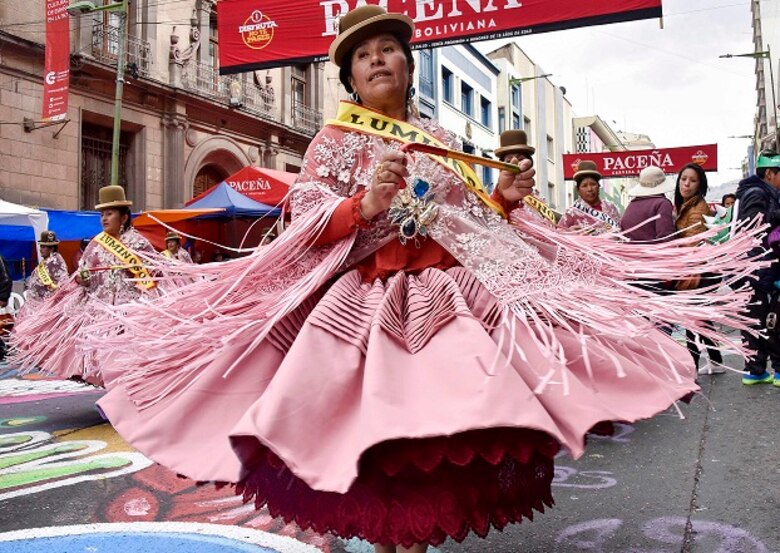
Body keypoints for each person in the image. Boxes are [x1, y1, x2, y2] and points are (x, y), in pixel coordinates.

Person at [94, 7, 757, 553]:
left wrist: (501, 199)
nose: (378, 59)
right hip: (365, 310)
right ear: (351, 77)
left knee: (438, 432)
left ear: (410, 66)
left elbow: (467, 219)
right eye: (363, 55)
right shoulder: (334, 140)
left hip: (446, 303)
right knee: (378, 443)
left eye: (389, 49)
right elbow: (305, 216)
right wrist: (365, 206)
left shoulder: (441, 138)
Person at [8, 185, 164, 385]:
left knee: (123, 360)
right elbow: (82, 272)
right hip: (99, 312)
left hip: (129, 313)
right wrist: (83, 277)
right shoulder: (97, 243)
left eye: (109, 214)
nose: (104, 219)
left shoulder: (138, 244)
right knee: (101, 361)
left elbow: (153, 276)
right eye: (102, 215)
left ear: (124, 217)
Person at [673, 164, 725, 375]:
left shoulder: (697, 209)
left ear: (700, 185)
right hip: (697, 269)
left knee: (692, 320)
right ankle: (716, 361)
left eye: (692, 180)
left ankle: (692, 366)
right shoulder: (687, 205)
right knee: (700, 319)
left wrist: (688, 272)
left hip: (697, 270)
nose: (686, 184)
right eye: (683, 179)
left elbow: (693, 244)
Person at [735, 151, 780, 386]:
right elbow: (753, 225)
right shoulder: (757, 193)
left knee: (759, 319)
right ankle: (764, 369)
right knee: (769, 318)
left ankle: (756, 369)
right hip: (758, 266)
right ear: (770, 173)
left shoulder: (763, 192)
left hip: (756, 266)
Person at [494, 130, 553, 226]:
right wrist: (503, 196)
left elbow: (550, 231)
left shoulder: (538, 199)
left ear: (530, 163)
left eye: (520, 159)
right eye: (509, 161)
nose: (515, 164)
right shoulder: (497, 197)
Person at [558, 160, 621, 232]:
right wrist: (569, 233)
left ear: (598, 186)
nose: (590, 189)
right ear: (578, 190)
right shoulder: (572, 213)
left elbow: (620, 232)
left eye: (593, 184)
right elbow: (558, 235)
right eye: (584, 186)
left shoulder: (611, 208)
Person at [619, 166, 676, 242]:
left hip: (630, 252)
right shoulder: (662, 204)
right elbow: (665, 237)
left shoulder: (631, 205)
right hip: (654, 252)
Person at [21, 231, 69, 314]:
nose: (41, 249)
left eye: (44, 247)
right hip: (36, 305)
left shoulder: (55, 262)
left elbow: (62, 283)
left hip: (46, 307)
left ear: (52, 248)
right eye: (41, 246)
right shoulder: (47, 260)